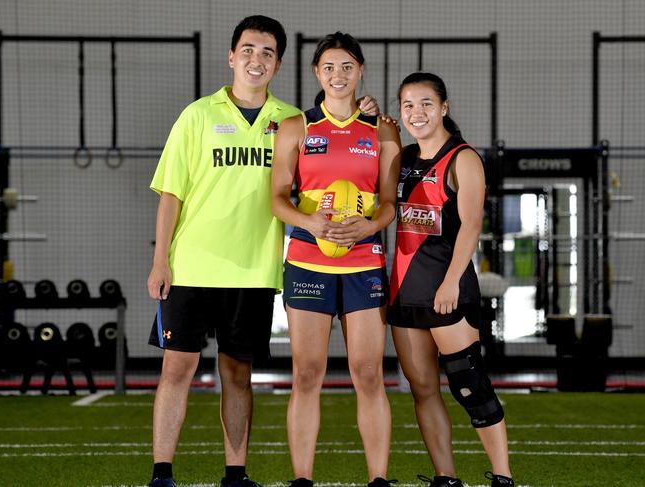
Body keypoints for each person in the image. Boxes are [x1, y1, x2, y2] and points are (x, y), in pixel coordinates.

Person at [146, 16, 381, 487]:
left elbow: (334, 131)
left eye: (268, 53)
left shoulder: (291, 120)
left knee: (238, 373)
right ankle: (162, 472)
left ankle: (236, 472)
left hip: (256, 270)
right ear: (232, 57)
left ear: (279, 63)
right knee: (178, 368)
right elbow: (171, 192)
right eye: (249, 50)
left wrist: (368, 113)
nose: (257, 59)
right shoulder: (197, 114)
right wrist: (160, 260)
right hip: (192, 263)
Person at [271, 32, 401, 487]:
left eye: (347, 66)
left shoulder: (381, 129)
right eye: (329, 67)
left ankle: (379, 478)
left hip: (364, 262)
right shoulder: (297, 127)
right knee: (307, 374)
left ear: (360, 70)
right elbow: (277, 201)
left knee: (368, 373)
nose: (338, 75)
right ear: (316, 73)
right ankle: (302, 478)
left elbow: (389, 203)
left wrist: (369, 227)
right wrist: (312, 225)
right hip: (308, 263)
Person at [388, 72, 514, 487]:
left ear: (443, 107)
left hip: (448, 292)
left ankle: (502, 476)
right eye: (408, 105)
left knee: (469, 385)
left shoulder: (464, 159)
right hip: (405, 293)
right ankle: (446, 477)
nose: (417, 113)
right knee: (423, 390)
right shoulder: (402, 159)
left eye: (426, 103)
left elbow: (471, 226)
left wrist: (450, 282)